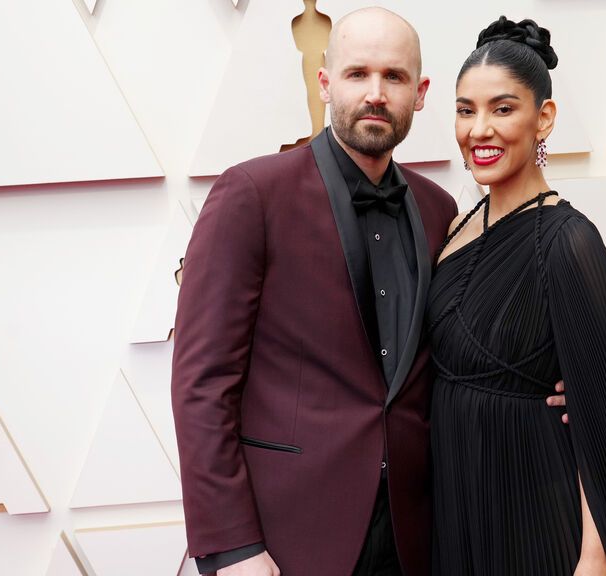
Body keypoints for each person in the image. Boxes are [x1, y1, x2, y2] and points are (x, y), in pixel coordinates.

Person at [172, 8, 567, 576]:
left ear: (421, 92)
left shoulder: (442, 212)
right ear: (326, 83)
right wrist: (232, 547)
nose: (376, 94)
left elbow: (459, 352)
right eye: (358, 74)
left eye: (395, 77)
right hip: (287, 541)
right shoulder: (252, 194)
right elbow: (202, 382)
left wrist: (554, 391)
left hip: (420, 536)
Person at [428, 16, 606, 575]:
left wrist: (593, 559)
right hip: (457, 505)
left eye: (502, 109)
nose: (479, 129)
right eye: (465, 110)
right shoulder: (455, 227)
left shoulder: (568, 241)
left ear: (544, 118)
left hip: (534, 510)